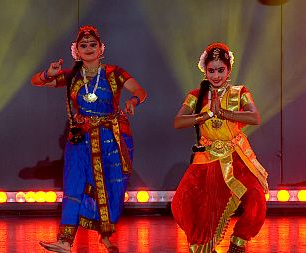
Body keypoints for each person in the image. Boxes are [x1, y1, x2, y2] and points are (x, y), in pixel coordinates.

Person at [31, 25, 147, 253]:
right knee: (73, 183)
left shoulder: (114, 72)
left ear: (101, 48)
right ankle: (65, 240)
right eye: (83, 45)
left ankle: (105, 237)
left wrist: (132, 102)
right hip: (80, 137)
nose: (88, 48)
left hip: (109, 137)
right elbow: (37, 81)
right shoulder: (73, 75)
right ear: (77, 51)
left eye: (93, 44)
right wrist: (49, 73)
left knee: (110, 187)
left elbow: (141, 91)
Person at [171, 42, 269, 253]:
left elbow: (254, 116)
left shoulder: (239, 92)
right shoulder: (196, 95)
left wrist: (224, 113)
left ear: (229, 70)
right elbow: (178, 122)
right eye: (211, 70)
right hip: (207, 158)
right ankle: (202, 246)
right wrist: (205, 115)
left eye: (220, 70)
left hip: (236, 156)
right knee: (182, 204)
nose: (216, 75)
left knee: (256, 199)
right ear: (204, 71)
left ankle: (238, 243)